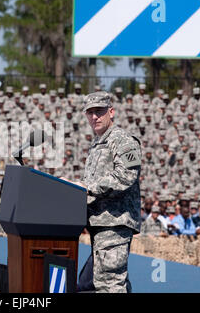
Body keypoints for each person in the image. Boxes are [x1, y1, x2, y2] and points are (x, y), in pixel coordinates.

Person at [62, 91, 141, 293]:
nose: (94, 117)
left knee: (110, 284)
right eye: (90, 112)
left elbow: (127, 176)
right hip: (100, 223)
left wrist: (87, 187)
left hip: (115, 222)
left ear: (111, 112)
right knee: (108, 281)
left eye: (99, 111)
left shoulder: (124, 140)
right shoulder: (97, 144)